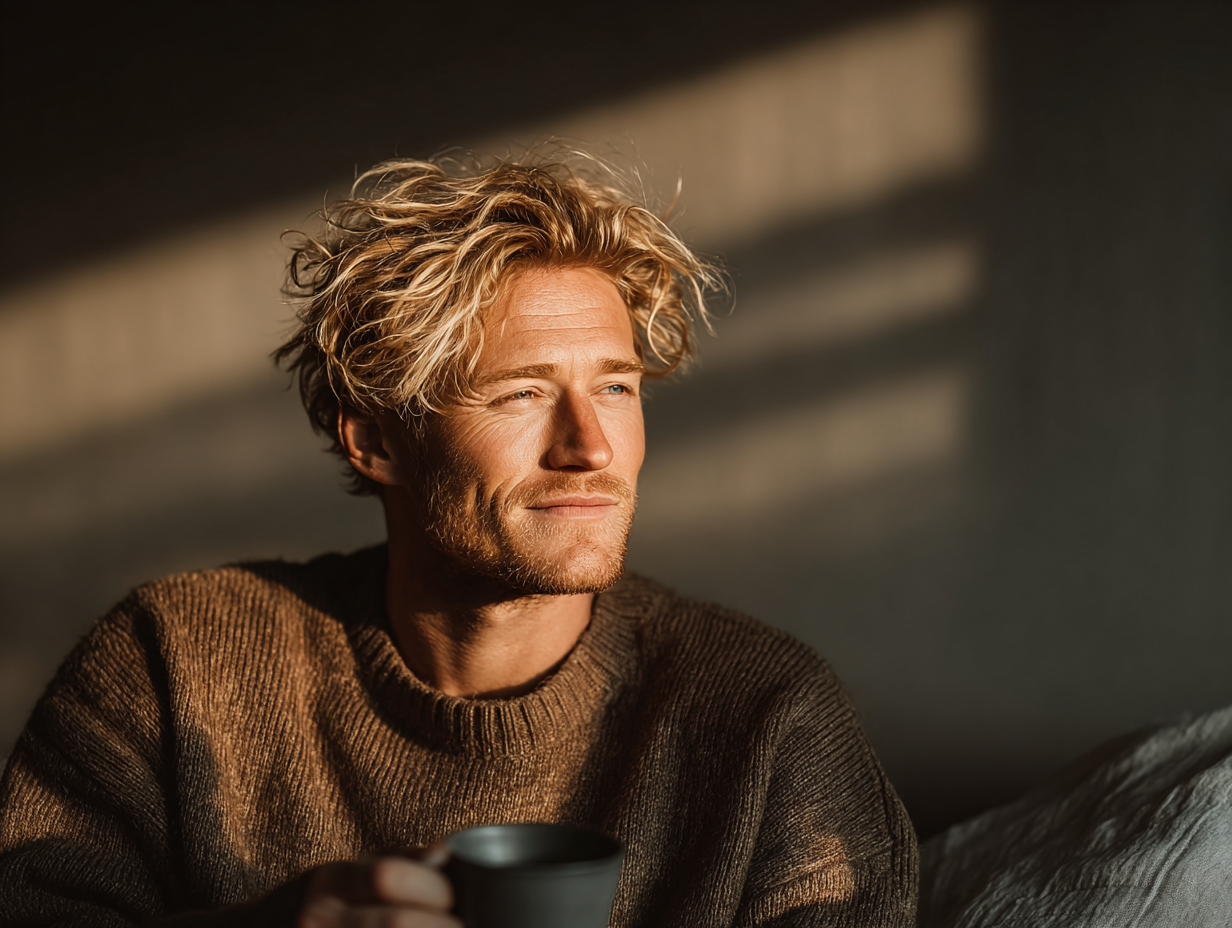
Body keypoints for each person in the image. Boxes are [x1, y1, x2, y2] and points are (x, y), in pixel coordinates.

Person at [0, 154, 918, 927]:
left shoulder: (768, 720)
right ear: (377, 439)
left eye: (617, 387)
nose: (590, 447)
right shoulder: (172, 667)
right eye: (520, 393)